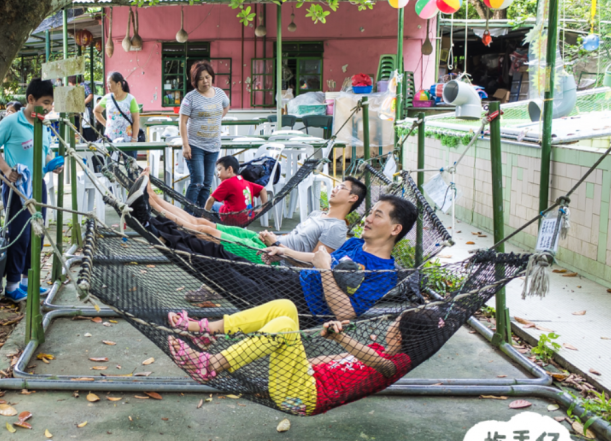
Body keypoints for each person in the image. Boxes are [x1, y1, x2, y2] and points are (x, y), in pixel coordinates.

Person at [129, 178, 417, 324]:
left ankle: (151, 227)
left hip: (300, 307)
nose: (368, 218)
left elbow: (345, 314)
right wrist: (284, 252)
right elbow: (317, 258)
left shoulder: (384, 273)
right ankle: (152, 221)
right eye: (371, 212)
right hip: (291, 279)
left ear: (395, 229)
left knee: (218, 267)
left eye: (377, 215)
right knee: (220, 253)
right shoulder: (355, 245)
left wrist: (324, 271)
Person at [166, 301, 449, 415]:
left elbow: (382, 366)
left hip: (301, 399)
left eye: (394, 323)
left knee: (284, 327)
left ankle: (210, 365)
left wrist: (341, 338)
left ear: (399, 336)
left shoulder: (397, 364)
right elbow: (332, 359)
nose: (389, 325)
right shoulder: (378, 348)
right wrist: (302, 358)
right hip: (300, 380)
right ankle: (205, 331)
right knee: (286, 308)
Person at [143, 170, 364, 266]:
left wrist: (277, 246)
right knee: (205, 223)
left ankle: (152, 206)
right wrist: (274, 238)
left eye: (341, 188)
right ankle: (154, 198)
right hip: (268, 243)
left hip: (271, 258)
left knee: (207, 232)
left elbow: (315, 262)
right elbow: (296, 237)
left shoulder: (337, 228)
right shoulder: (318, 214)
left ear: (352, 198)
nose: (335, 189)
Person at [0, 78, 63, 301]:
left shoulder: (43, 124)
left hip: (38, 186)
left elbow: (45, 152)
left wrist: (52, 164)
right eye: (45, 102)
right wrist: (5, 169)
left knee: (37, 234)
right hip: (17, 189)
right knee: (20, 235)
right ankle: (12, 286)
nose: (48, 108)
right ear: (30, 99)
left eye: (51, 104)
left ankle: (30, 281)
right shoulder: (12, 122)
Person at [180, 60, 230, 205]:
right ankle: (188, 213)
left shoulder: (220, 94)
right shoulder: (190, 98)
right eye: (200, 78)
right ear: (195, 81)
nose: (205, 81)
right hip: (195, 146)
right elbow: (182, 122)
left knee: (207, 183)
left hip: (213, 146)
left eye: (207, 77)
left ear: (212, 76)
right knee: (197, 181)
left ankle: (201, 213)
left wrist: (216, 119)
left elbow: (226, 106)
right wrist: (185, 145)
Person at [94, 71, 140, 158]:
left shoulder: (130, 99)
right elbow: (96, 111)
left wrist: (134, 138)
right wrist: (107, 124)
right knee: (110, 164)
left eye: (109, 83)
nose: (107, 85)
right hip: (110, 139)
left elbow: (136, 120)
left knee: (130, 165)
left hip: (128, 140)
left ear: (118, 84)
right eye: (107, 83)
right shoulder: (107, 98)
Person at [205, 155, 269, 216]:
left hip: (231, 218)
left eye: (219, 169)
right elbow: (262, 189)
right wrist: (263, 209)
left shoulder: (227, 183)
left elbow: (211, 200)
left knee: (213, 205)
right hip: (248, 218)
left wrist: (204, 216)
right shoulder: (245, 182)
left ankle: (206, 221)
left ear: (229, 169)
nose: (217, 174)